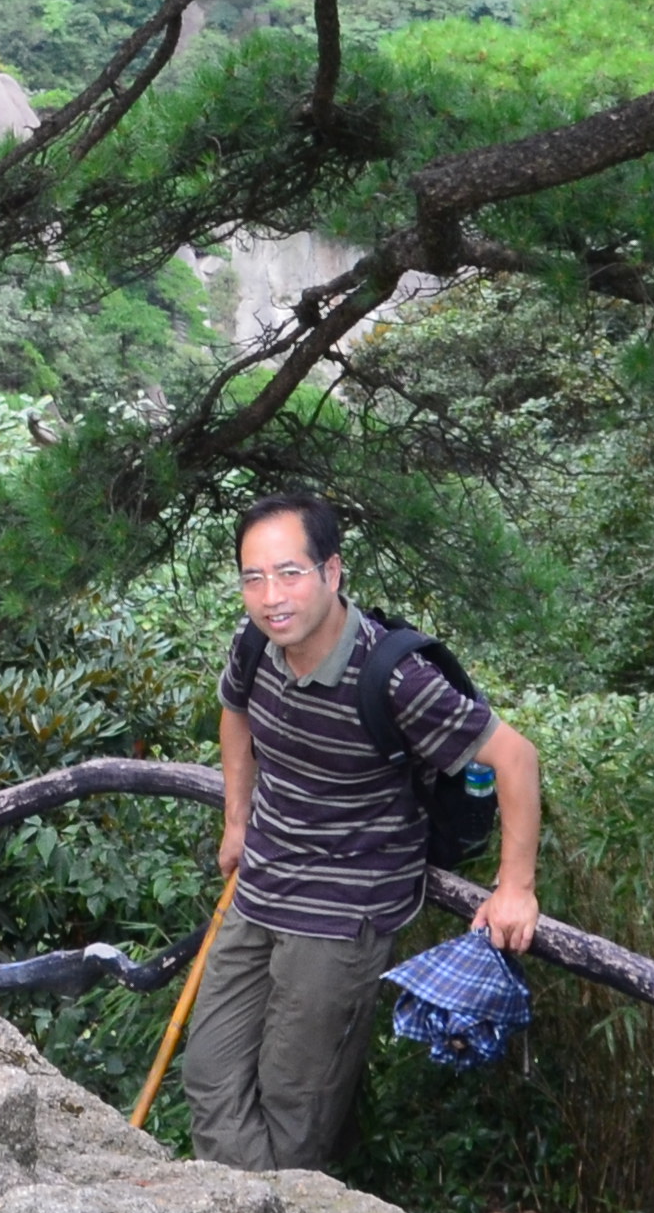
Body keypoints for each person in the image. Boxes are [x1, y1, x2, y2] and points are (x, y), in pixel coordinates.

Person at [183, 488, 540, 1174]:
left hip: (347, 912)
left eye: (290, 572)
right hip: (263, 886)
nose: (271, 595)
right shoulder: (255, 642)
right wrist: (238, 819)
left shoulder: (395, 679)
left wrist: (515, 887)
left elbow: (514, 757)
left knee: (294, 1104)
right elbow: (235, 713)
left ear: (332, 571)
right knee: (209, 1074)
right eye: (253, 578)